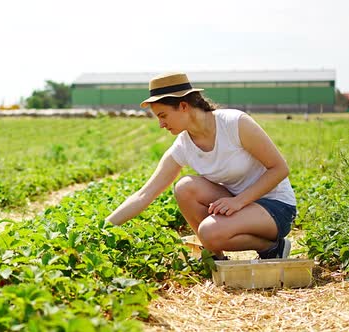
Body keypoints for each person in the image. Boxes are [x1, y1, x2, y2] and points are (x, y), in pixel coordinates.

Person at [105, 72, 296, 260]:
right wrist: (102, 228)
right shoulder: (183, 145)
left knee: (209, 232)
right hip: (238, 204)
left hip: (275, 206)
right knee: (185, 187)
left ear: (183, 106)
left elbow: (279, 168)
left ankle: (272, 247)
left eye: (163, 115)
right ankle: (215, 256)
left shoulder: (234, 123)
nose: (161, 124)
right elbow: (144, 194)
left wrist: (239, 202)